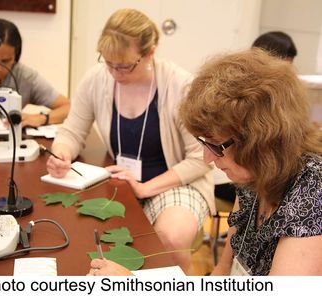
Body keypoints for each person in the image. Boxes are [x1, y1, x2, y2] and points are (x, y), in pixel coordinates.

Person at [88, 48, 322, 276]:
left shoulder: (312, 195)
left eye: (215, 146)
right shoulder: (253, 177)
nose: (208, 158)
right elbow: (223, 273)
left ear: (258, 142)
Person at [47, 8, 214, 273]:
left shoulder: (180, 86)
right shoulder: (97, 79)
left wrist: (146, 188)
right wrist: (62, 154)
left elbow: (201, 159)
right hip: (124, 182)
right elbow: (72, 132)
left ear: (150, 53)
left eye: (124, 66)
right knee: (83, 233)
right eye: (109, 63)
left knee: (171, 238)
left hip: (177, 183)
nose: (115, 73)